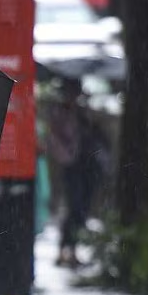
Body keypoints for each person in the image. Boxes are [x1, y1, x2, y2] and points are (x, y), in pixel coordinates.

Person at [43, 78, 107, 268]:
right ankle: (66, 249)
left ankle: (72, 249)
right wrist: (68, 155)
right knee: (75, 206)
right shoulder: (59, 114)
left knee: (81, 208)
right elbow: (55, 141)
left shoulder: (81, 113)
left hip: (86, 166)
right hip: (71, 165)